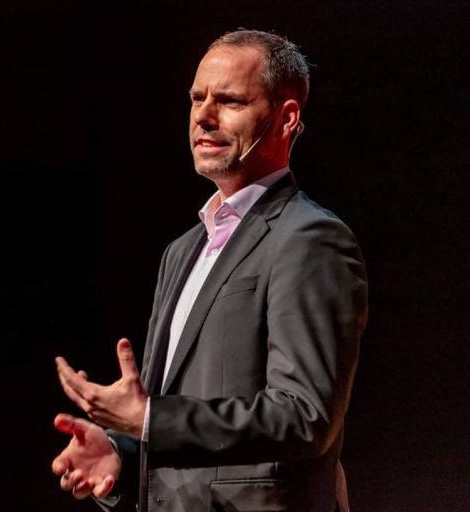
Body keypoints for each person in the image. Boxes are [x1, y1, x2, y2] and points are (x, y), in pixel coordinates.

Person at [51, 29, 368, 512]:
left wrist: (151, 419)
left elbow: (305, 417)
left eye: (230, 100)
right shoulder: (182, 250)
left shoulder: (310, 239)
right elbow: (181, 429)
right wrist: (123, 456)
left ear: (286, 119)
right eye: (197, 98)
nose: (204, 114)